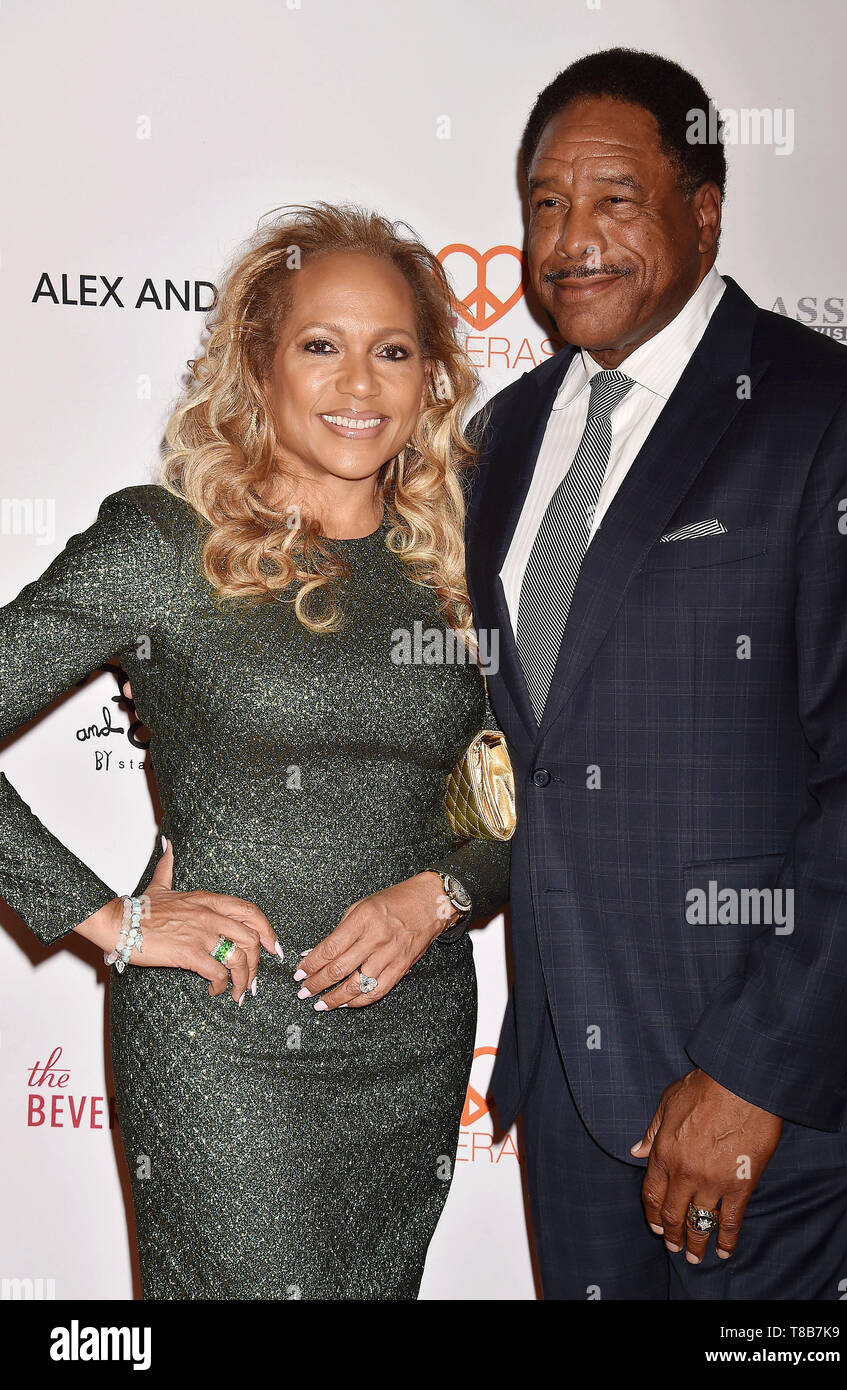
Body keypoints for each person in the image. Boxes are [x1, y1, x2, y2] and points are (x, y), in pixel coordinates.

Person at [0, 202, 509, 1300]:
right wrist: (110, 919)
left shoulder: (465, 566)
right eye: (320, 345)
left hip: (410, 1038)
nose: (358, 383)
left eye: (392, 350)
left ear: (430, 379)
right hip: (222, 1037)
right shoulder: (162, 545)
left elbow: (523, 800)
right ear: (257, 365)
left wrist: (444, 892)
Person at [467, 47, 847, 1299]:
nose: (570, 240)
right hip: (569, 1094)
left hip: (757, 1109)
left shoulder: (830, 415)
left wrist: (754, 1071)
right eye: (545, 204)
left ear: (702, 211)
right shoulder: (503, 436)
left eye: (613, 199)